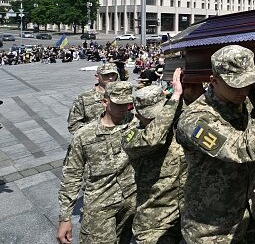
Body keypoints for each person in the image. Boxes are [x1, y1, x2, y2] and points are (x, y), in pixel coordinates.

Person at [176, 45, 255, 243]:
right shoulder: (195, 119)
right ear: (214, 81)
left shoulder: (247, 101)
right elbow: (245, 149)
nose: (242, 89)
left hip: (253, 212)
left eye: (248, 83)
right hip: (212, 227)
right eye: (235, 84)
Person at [57, 81, 136, 244]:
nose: (123, 108)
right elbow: (71, 176)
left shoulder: (133, 122)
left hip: (130, 201)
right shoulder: (84, 135)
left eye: (127, 104)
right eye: (118, 104)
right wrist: (65, 218)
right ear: (105, 102)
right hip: (100, 204)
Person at [122, 69, 187, 242]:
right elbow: (153, 137)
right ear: (137, 116)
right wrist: (174, 99)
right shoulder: (131, 136)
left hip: (184, 215)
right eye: (151, 116)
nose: (158, 118)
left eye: (161, 112)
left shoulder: (174, 123)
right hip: (155, 221)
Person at [67, 63, 120, 134]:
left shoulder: (121, 95)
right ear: (97, 77)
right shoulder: (84, 97)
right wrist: (95, 131)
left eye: (113, 75)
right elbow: (73, 125)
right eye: (106, 75)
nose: (110, 78)